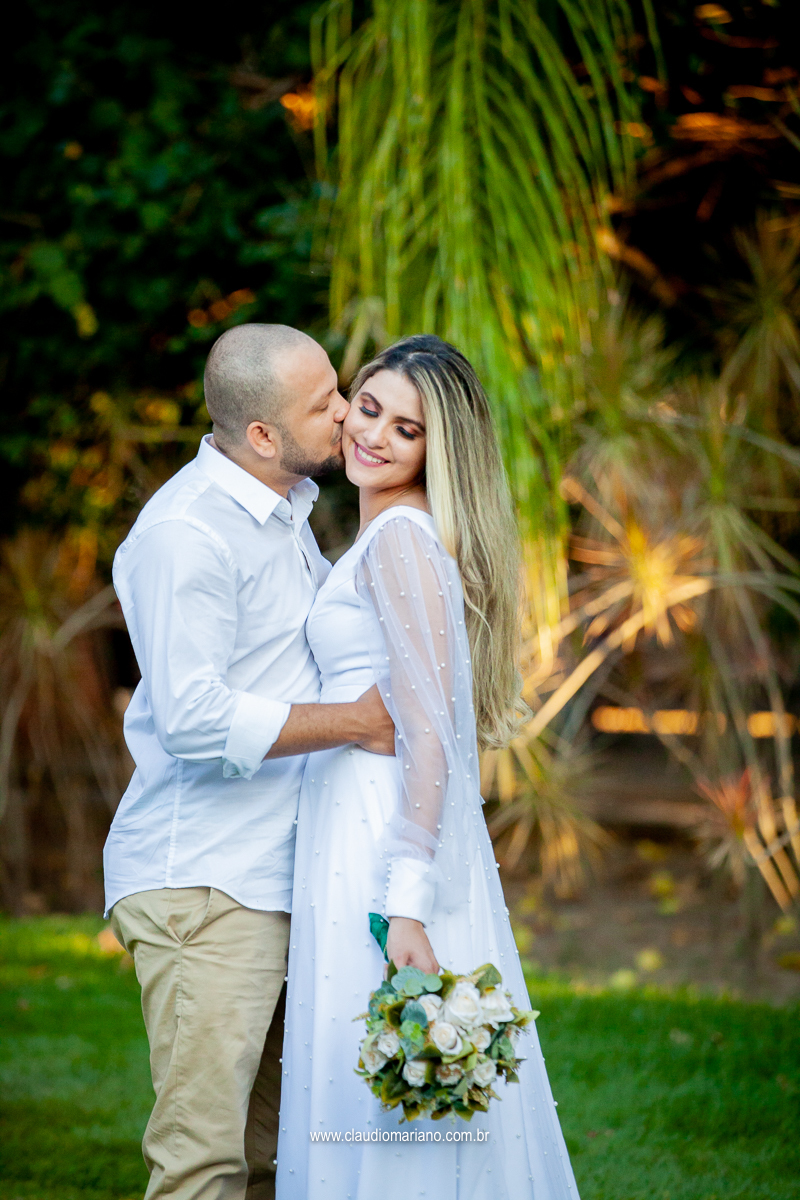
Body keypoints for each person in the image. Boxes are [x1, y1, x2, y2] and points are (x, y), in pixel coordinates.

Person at [277, 335, 579, 1199]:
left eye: (405, 430)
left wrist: (405, 903)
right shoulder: (387, 535)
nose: (373, 435)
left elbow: (430, 736)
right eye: (369, 408)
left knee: (391, 1085)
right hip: (355, 823)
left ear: (435, 451)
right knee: (369, 1073)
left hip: (381, 837)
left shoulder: (402, 540)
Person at [105, 323, 395, 1200]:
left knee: (275, 1158)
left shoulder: (285, 511)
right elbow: (192, 718)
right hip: (206, 885)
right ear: (262, 434)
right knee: (204, 1162)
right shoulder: (186, 533)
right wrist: (355, 723)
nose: (347, 413)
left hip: (278, 878)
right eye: (324, 403)